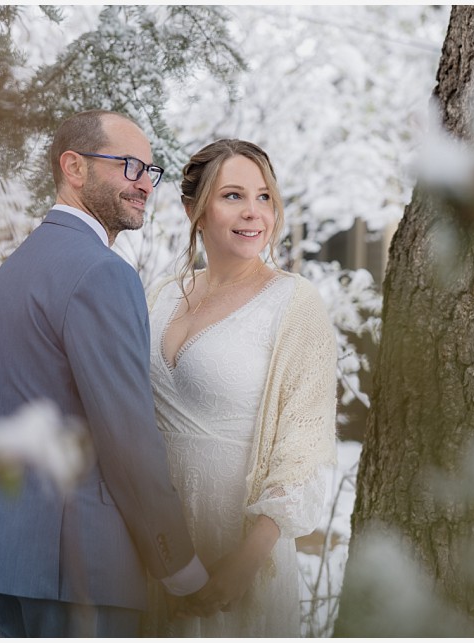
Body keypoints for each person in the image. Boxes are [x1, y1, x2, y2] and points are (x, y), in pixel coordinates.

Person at [0, 110, 210, 637]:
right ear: (74, 167)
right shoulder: (103, 273)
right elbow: (127, 438)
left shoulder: (15, 269)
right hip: (86, 572)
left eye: (151, 170)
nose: (145, 184)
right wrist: (179, 565)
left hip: (14, 561)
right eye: (129, 166)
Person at [144, 139, 338, 636]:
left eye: (264, 197)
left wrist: (244, 564)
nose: (254, 213)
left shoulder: (294, 304)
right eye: (233, 196)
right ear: (195, 210)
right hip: (152, 546)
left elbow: (305, 446)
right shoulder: (162, 294)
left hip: (236, 545)